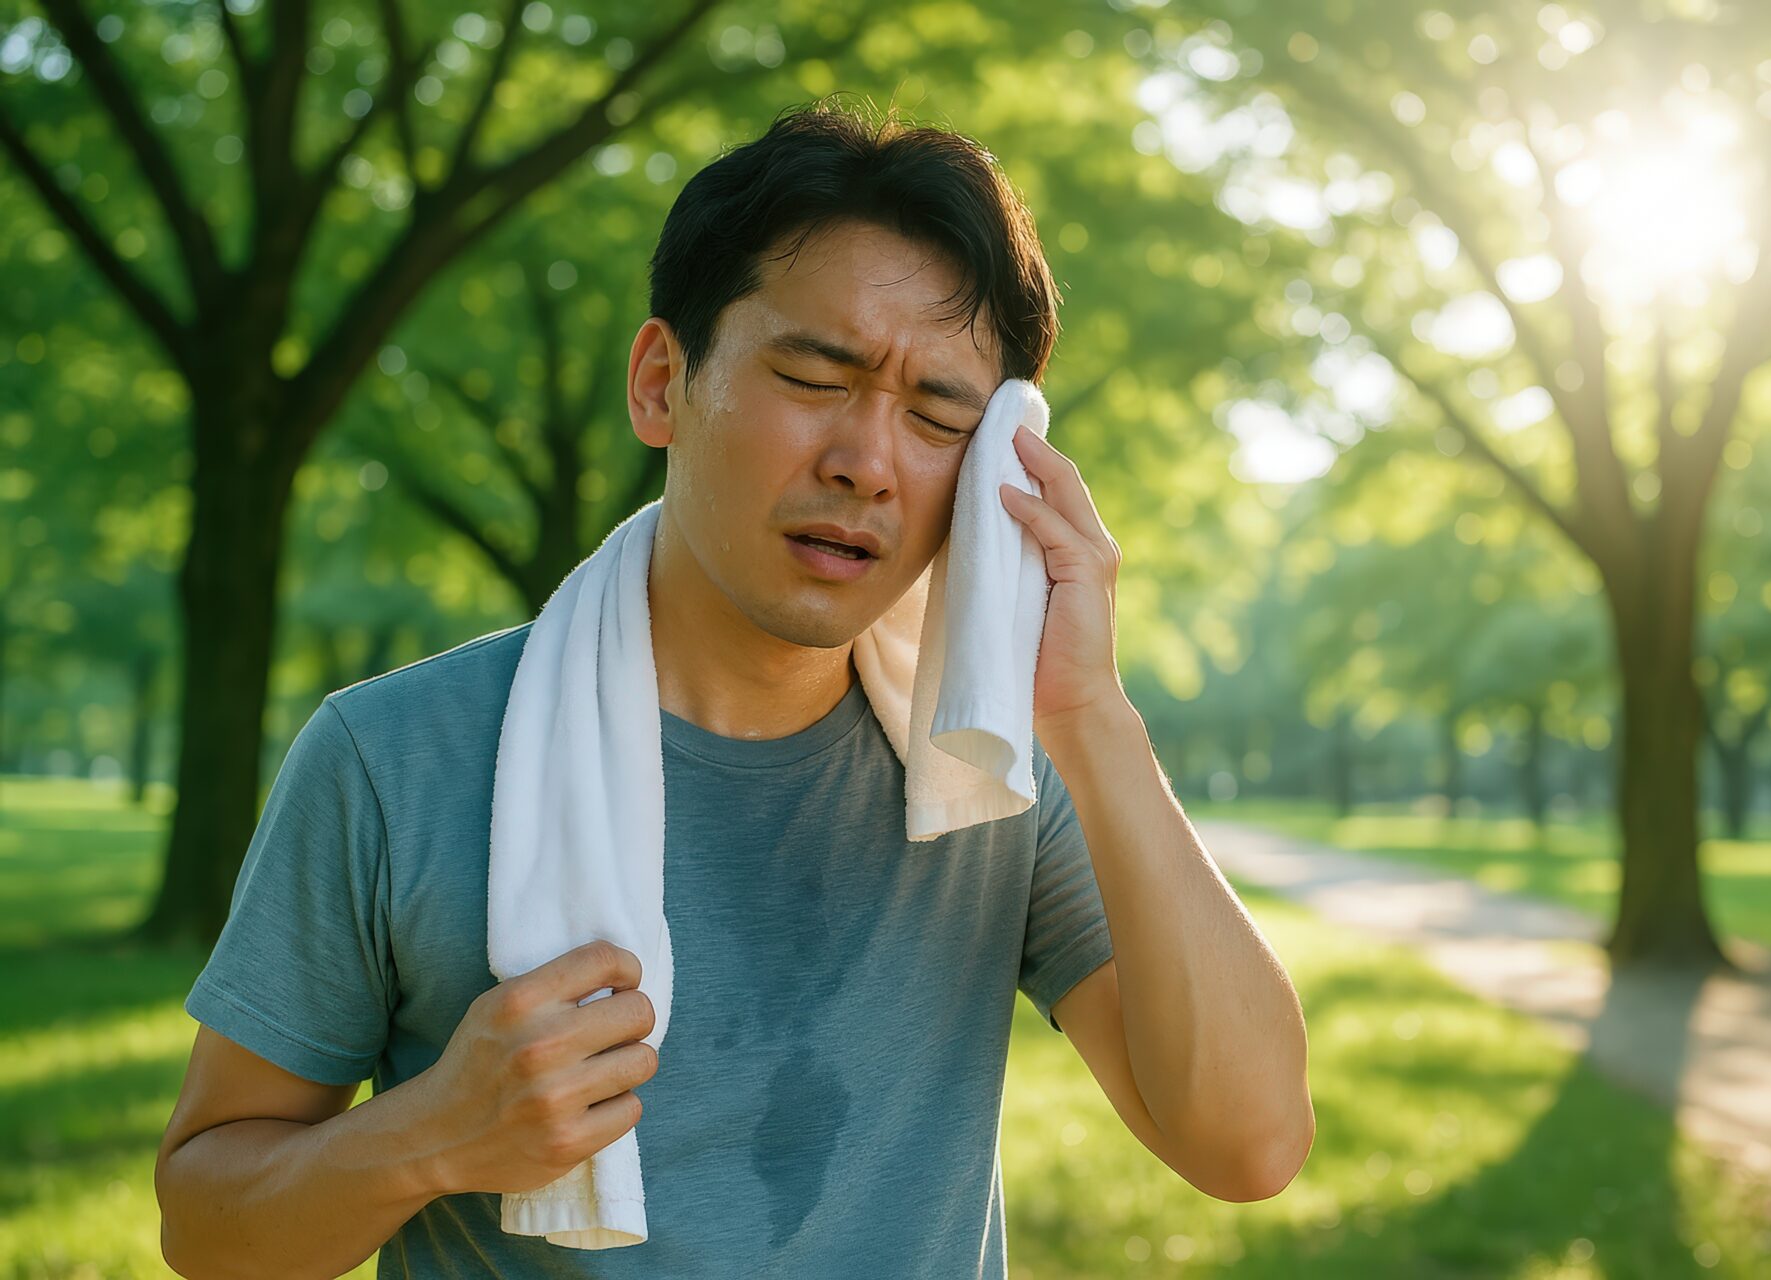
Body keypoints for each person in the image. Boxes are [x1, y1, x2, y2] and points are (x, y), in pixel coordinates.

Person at [154, 97, 1312, 1279]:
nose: (867, 462)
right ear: (662, 382)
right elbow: (205, 1226)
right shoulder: (395, 758)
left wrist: (1091, 713)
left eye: (938, 415)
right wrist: (431, 1135)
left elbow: (1250, 1143)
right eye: (813, 375)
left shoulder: (991, 764)